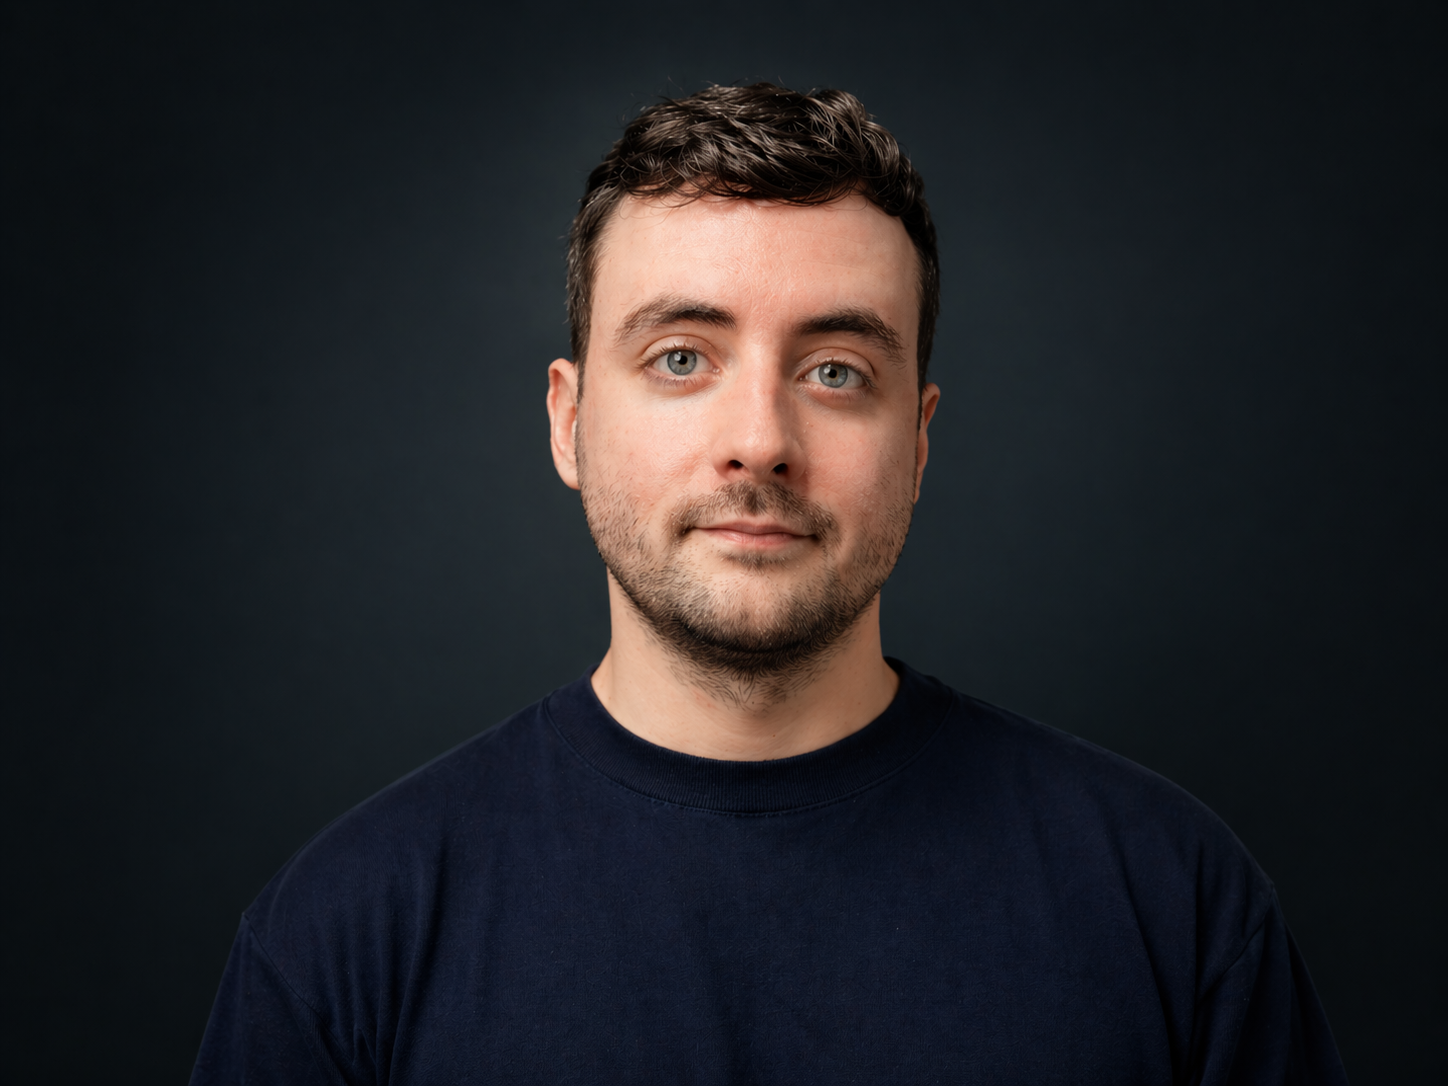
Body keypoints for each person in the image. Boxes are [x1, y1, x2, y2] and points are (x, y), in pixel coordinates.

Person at [191, 83, 1347, 1084]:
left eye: (835, 371)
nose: (759, 441)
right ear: (568, 421)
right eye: (680, 358)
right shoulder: (341, 940)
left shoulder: (1170, 904)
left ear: (918, 442)